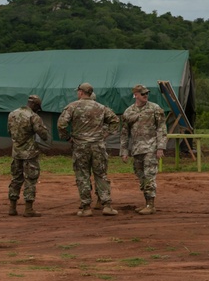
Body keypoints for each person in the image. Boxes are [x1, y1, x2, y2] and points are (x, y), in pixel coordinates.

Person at [56, 82, 117, 216]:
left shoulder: (73, 106)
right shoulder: (101, 107)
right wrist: (105, 135)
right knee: (101, 174)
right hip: (98, 146)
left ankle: (86, 207)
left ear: (81, 92)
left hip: (80, 146)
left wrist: (67, 138)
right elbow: (115, 120)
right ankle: (107, 205)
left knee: (82, 175)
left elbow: (61, 124)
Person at [120, 83, 170, 215]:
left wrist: (160, 147)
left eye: (147, 93)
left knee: (149, 175)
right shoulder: (128, 112)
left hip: (151, 147)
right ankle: (147, 202)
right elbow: (124, 133)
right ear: (135, 95)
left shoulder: (155, 109)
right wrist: (124, 151)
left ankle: (150, 204)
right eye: (142, 94)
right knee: (141, 176)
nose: (145, 95)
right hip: (136, 149)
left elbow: (161, 128)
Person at [7, 94, 48, 217]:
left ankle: (12, 208)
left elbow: (9, 131)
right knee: (30, 180)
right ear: (35, 105)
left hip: (16, 152)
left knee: (15, 179)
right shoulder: (33, 117)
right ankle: (28, 209)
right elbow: (44, 135)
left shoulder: (12, 114)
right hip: (29, 154)